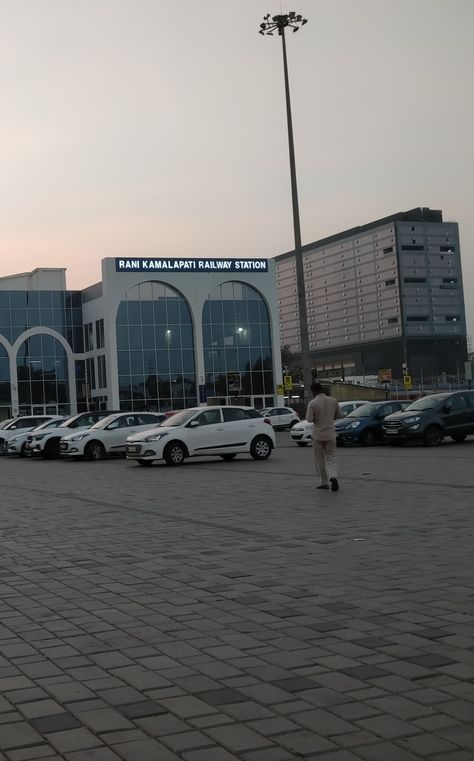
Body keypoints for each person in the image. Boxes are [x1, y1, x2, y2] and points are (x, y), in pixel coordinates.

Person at [306, 381, 342, 492]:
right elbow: (339, 415)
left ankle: (324, 482)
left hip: (318, 435)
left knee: (319, 459)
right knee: (331, 457)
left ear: (313, 391)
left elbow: (309, 419)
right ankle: (333, 476)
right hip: (331, 434)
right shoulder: (333, 400)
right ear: (322, 389)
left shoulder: (313, 403)